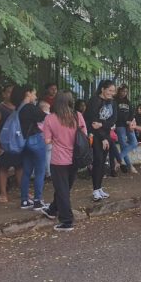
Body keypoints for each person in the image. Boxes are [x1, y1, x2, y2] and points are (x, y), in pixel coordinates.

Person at [39, 91, 86, 231]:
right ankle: (52, 210)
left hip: (58, 159)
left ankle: (66, 221)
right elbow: (83, 134)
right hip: (76, 158)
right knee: (64, 188)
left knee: (62, 189)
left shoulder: (50, 119)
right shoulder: (78, 116)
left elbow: (47, 140)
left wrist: (56, 139)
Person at [12, 85, 49, 210]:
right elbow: (45, 118)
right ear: (28, 93)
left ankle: (24, 200)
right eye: (34, 93)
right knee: (40, 171)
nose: (35, 96)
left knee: (26, 172)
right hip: (36, 140)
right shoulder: (30, 108)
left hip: (23, 142)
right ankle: (38, 200)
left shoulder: (18, 108)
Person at [0, 83, 24, 204]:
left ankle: (23, 191)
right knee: (3, 168)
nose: (11, 94)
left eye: (13, 92)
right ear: (3, 94)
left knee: (20, 167)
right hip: (3, 144)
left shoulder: (19, 107)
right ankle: (3, 193)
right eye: (8, 91)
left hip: (18, 143)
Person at [85, 79, 117, 201]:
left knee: (103, 161)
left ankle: (99, 188)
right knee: (98, 160)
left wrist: (103, 125)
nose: (111, 93)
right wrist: (103, 136)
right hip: (96, 135)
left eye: (113, 91)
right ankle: (95, 190)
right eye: (109, 90)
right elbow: (93, 122)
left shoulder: (112, 102)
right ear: (102, 89)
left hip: (106, 134)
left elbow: (113, 120)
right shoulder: (94, 101)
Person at [114, 84, 138, 174]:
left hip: (129, 125)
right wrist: (126, 121)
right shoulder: (115, 101)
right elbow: (116, 115)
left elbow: (132, 113)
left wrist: (130, 121)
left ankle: (118, 159)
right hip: (120, 125)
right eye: (123, 91)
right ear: (119, 90)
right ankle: (130, 166)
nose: (124, 93)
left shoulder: (128, 101)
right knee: (123, 145)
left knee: (134, 143)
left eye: (126, 91)